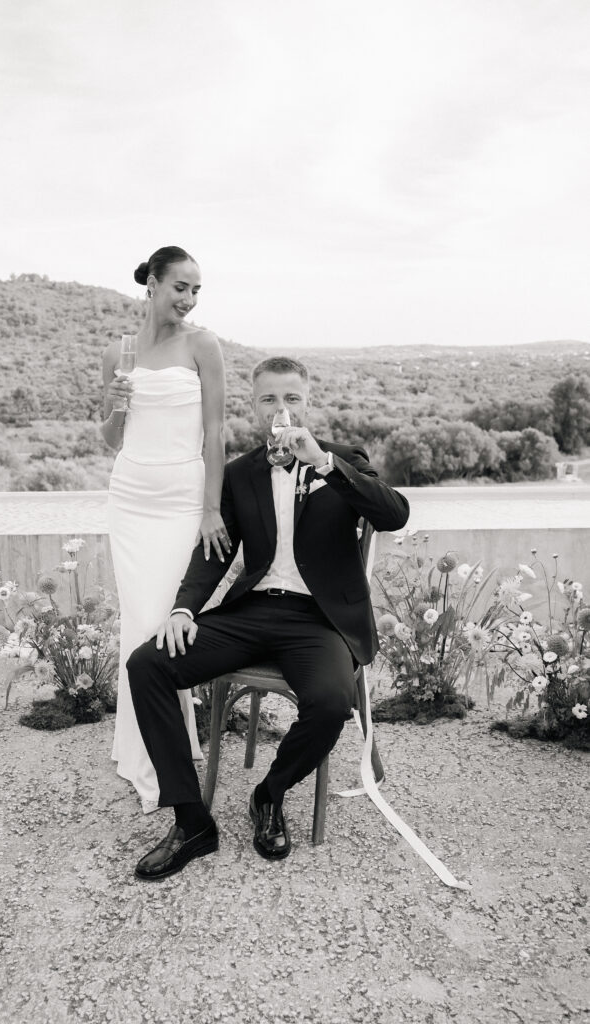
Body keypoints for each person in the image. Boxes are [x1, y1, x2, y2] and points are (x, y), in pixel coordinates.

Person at [126, 356, 411, 879]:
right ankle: (192, 822)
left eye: (292, 398)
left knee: (330, 703)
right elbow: (215, 550)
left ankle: (270, 794)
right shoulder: (240, 473)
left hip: (319, 620)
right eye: (270, 399)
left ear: (308, 401)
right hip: (253, 610)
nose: (282, 409)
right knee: (148, 664)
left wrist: (324, 463)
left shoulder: (343, 458)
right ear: (255, 407)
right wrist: (184, 609)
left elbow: (394, 514)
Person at [103, 245, 230, 815]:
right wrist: (114, 406)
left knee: (163, 622)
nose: (189, 298)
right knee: (138, 624)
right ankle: (145, 754)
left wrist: (211, 508)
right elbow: (111, 439)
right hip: (129, 499)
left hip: (182, 501)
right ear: (152, 284)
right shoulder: (119, 352)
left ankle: (167, 752)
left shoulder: (204, 345)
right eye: (181, 286)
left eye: (196, 289)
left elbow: (216, 433)